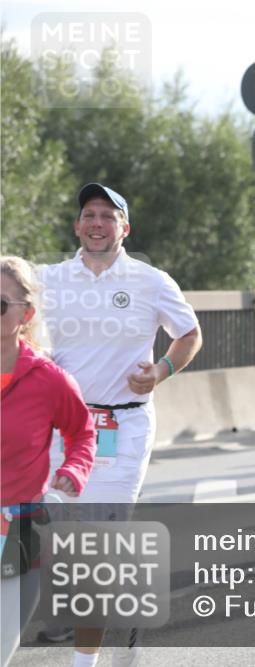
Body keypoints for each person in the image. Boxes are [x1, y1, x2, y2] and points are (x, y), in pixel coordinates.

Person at [37, 183, 202, 667]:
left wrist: (161, 370)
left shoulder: (151, 281)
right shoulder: (49, 280)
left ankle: (83, 659)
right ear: (76, 225)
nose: (96, 223)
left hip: (122, 426)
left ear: (124, 228)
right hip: (60, 427)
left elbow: (189, 333)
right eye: (89, 214)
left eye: (108, 216)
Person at [1, 256, 96, 667]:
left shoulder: (49, 379)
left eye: (0, 303)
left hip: (19, 531)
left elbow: (82, 433)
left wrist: (72, 472)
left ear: (26, 314)